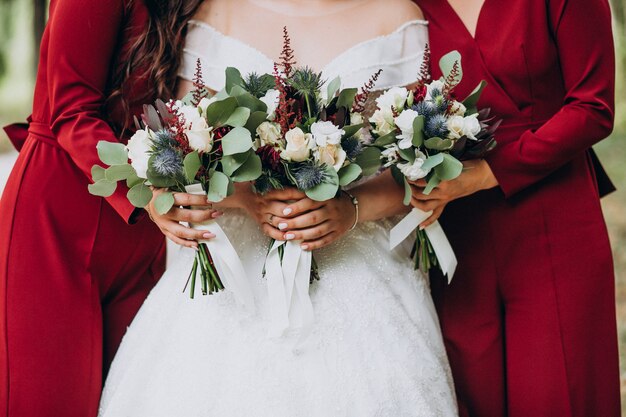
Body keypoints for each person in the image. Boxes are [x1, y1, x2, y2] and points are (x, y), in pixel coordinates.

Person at [98, 0, 458, 415]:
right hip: (235, 261)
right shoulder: (216, 14)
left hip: (359, 253)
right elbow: (188, 156)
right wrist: (246, 199)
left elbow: (421, 170)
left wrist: (350, 209)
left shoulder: (395, 16)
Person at [0, 1, 220, 415]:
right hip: (58, 223)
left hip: (142, 235)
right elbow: (70, 111)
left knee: (128, 399)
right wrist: (144, 189)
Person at [413, 0, 619, 416]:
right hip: (457, 237)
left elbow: (593, 107)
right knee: (471, 395)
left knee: (558, 395)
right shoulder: (404, 7)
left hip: (554, 221)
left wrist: (488, 172)